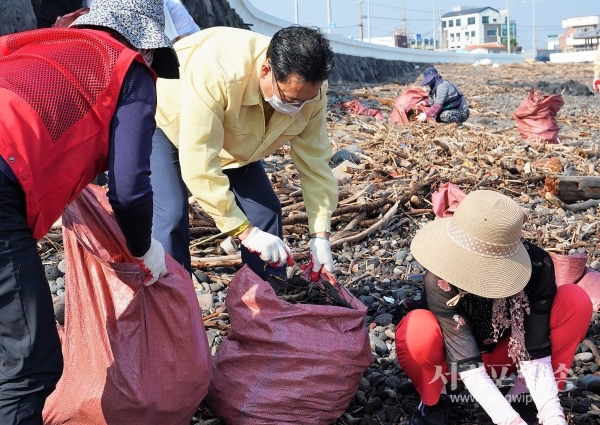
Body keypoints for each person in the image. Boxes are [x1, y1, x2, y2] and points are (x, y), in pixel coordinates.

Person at [0, 0, 179, 421]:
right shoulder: (128, 69)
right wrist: (142, 247)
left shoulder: (40, 43)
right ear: (145, 46)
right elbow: (131, 189)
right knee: (30, 363)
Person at [153, 26, 338, 280]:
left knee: (265, 211)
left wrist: (320, 236)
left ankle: (268, 300)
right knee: (171, 216)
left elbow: (315, 163)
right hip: (167, 121)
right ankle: (173, 305)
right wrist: (245, 232)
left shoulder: (312, 89)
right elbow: (199, 160)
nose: (297, 108)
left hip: (234, 138)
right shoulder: (218, 72)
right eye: (290, 99)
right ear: (265, 70)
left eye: (305, 101)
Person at [394, 190, 592, 425]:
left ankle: (523, 394)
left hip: (507, 355)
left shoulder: (538, 266)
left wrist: (553, 415)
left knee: (575, 300)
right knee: (417, 328)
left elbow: (534, 349)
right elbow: (467, 362)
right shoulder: (439, 278)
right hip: (452, 362)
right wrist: (508, 421)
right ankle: (435, 399)